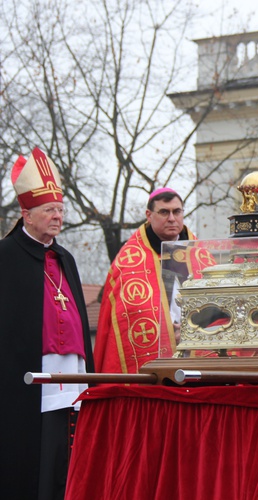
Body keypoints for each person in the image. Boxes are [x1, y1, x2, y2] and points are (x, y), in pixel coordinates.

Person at [0, 147, 94, 499]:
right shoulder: (6, 257)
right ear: (26, 213)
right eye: (49, 211)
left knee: (67, 467)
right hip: (29, 379)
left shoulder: (65, 257)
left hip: (73, 376)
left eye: (60, 210)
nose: (57, 217)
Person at [95, 188, 212, 373]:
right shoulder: (129, 260)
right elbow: (125, 315)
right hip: (154, 361)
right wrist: (166, 331)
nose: (172, 218)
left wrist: (191, 328)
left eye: (177, 211)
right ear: (149, 215)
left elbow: (217, 305)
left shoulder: (201, 255)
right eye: (164, 212)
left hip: (196, 357)